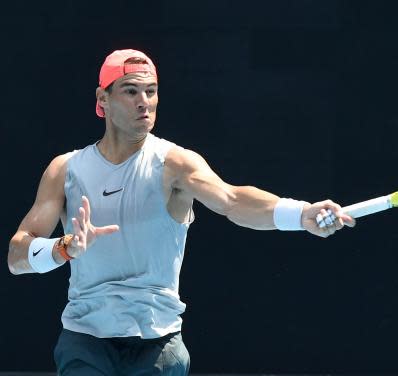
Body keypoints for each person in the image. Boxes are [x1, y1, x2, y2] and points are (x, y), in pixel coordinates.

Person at [7, 49, 355, 375]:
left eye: (152, 91)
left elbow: (232, 200)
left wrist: (301, 213)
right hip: (85, 339)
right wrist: (64, 247)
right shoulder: (64, 169)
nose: (144, 102)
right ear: (103, 100)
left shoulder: (174, 164)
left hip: (158, 343)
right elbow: (16, 256)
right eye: (130, 91)